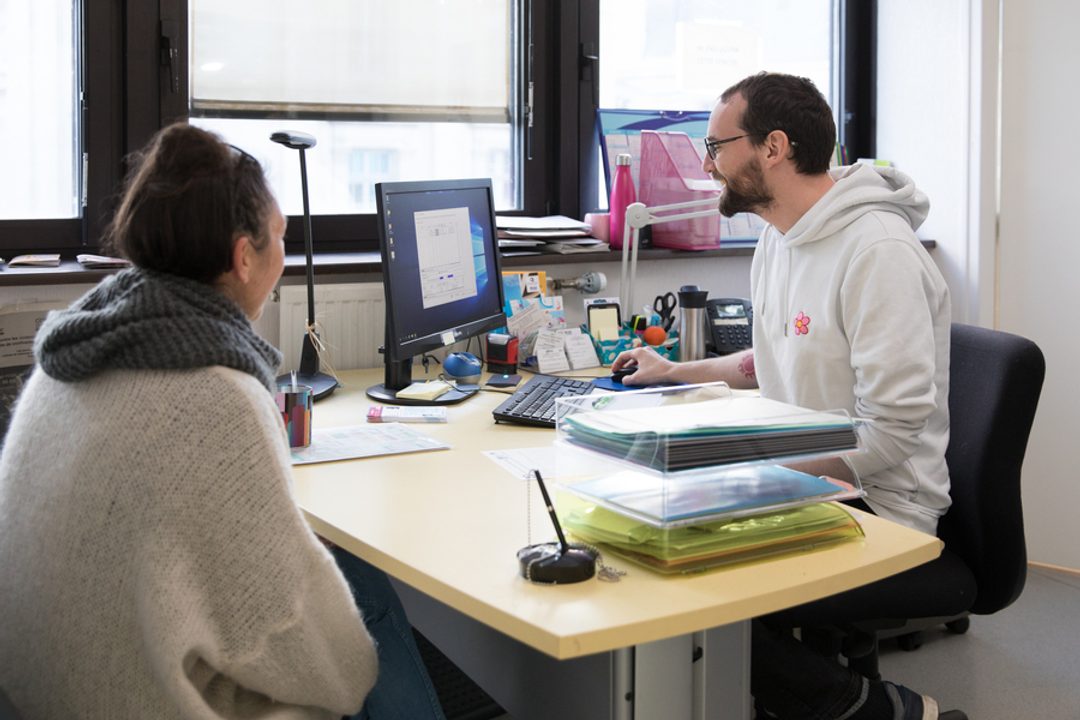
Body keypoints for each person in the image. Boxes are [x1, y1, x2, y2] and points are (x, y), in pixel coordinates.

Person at [0, 124, 444, 720]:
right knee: (366, 593)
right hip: (143, 701)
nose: (285, 257)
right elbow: (326, 664)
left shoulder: (74, 353)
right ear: (242, 256)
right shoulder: (215, 394)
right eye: (281, 238)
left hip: (44, 690)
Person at [613, 73, 956, 719]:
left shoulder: (878, 253)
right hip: (810, 477)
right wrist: (672, 372)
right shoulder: (780, 236)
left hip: (879, 502)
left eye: (715, 146)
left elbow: (891, 433)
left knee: (680, 570)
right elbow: (766, 360)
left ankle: (870, 709)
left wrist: (752, 471)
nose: (706, 164)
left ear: (773, 147)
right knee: (641, 529)